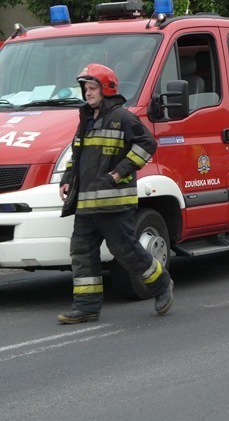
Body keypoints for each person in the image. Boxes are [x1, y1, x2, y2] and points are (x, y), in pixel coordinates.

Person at [58, 63, 174, 324]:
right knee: (82, 253)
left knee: (125, 251)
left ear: (106, 89)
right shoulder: (86, 118)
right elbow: (76, 155)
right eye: (85, 89)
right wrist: (67, 179)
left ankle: (161, 284)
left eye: (92, 88)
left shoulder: (124, 118)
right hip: (87, 205)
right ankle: (86, 307)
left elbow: (148, 144)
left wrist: (120, 172)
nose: (87, 94)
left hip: (115, 205)